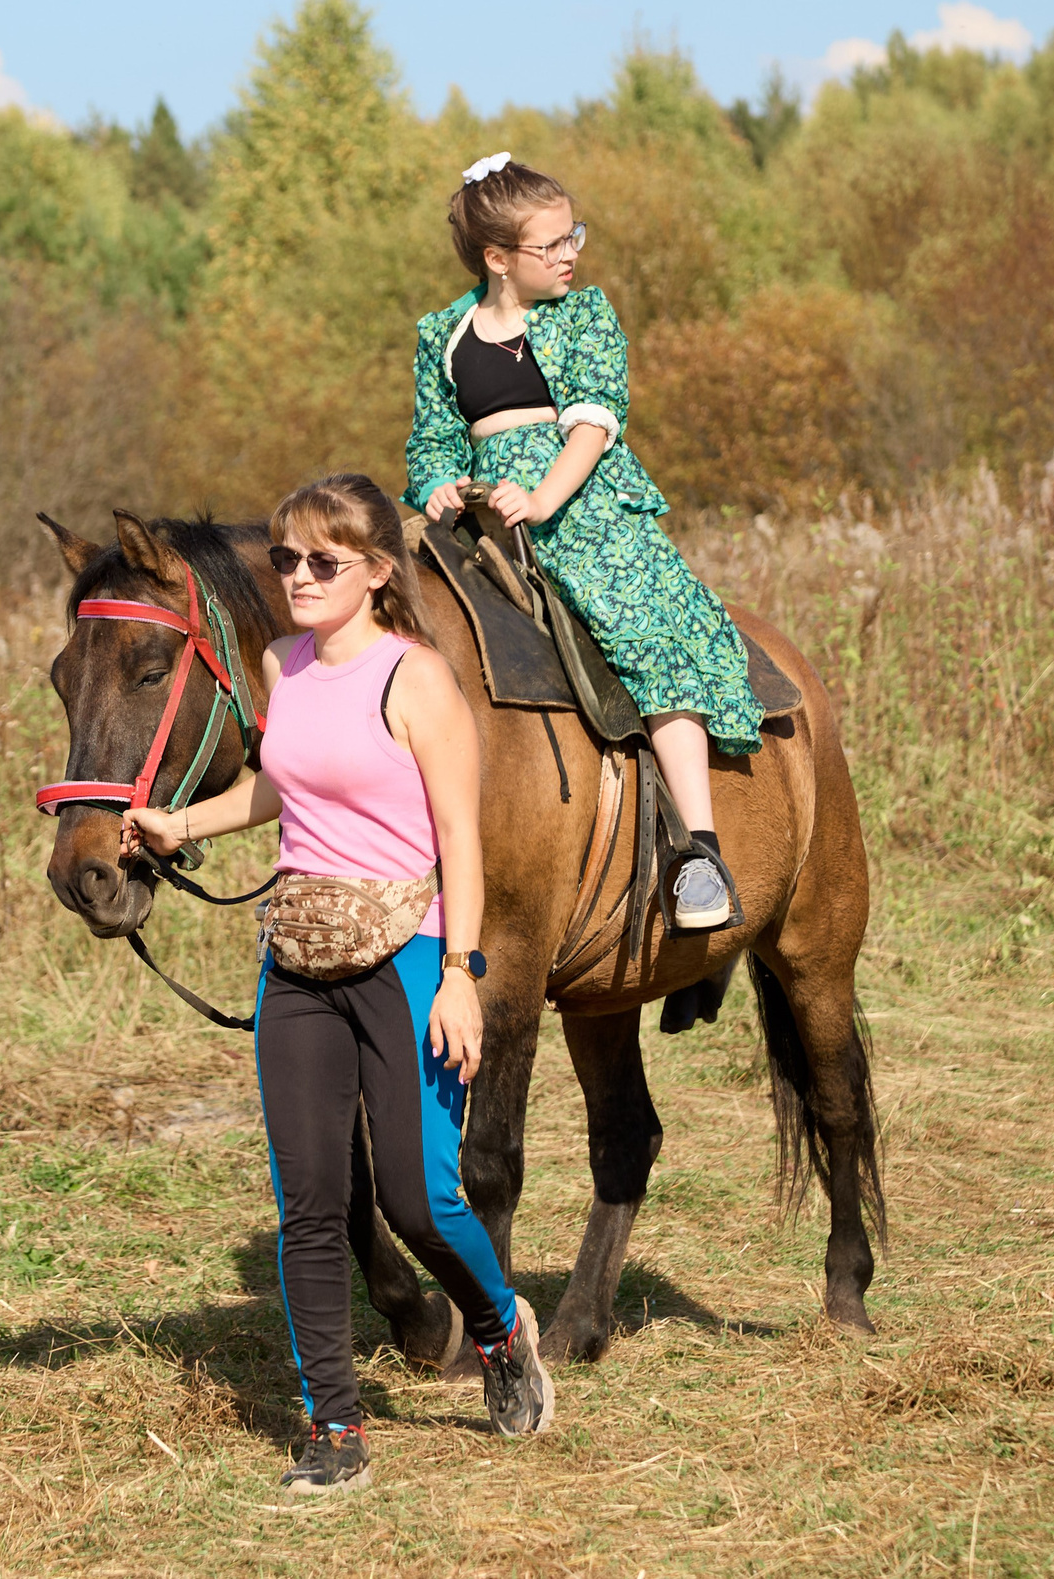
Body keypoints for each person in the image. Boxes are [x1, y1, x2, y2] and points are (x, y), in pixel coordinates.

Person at [123, 472, 553, 1495]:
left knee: (418, 1194)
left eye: (322, 561)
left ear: (372, 572)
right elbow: (283, 781)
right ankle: (335, 1427)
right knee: (310, 1205)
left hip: (407, 951)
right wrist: (183, 824)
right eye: (284, 559)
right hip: (299, 955)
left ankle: (498, 1329)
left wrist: (460, 976)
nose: (298, 576)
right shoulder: (283, 661)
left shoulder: (416, 681)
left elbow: (459, 835)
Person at [405, 152, 761, 931]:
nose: (572, 253)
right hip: (479, 511)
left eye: (575, 237)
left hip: (581, 507)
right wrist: (436, 479)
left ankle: (700, 853)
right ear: (498, 259)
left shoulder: (586, 315)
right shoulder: (441, 334)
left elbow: (593, 426)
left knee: (650, 636)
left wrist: (540, 498)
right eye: (554, 243)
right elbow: (434, 438)